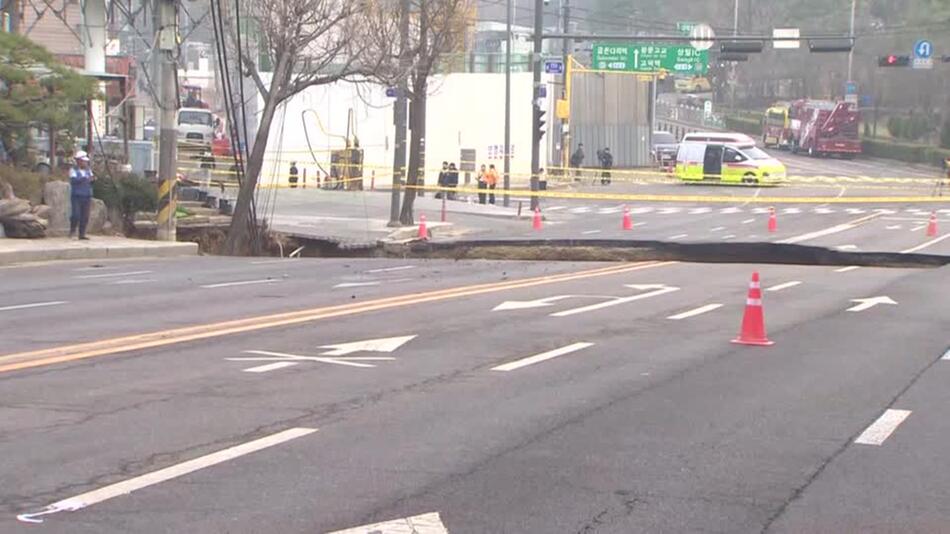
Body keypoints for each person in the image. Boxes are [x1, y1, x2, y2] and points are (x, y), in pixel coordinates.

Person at [69, 151, 95, 240]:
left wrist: (91, 180)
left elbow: (91, 180)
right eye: (83, 161)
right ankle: (72, 231)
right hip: (77, 196)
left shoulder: (88, 170)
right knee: (76, 214)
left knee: (85, 216)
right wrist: (85, 179)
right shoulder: (73, 170)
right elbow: (74, 181)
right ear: (78, 161)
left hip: (86, 195)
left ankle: (82, 234)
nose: (85, 163)